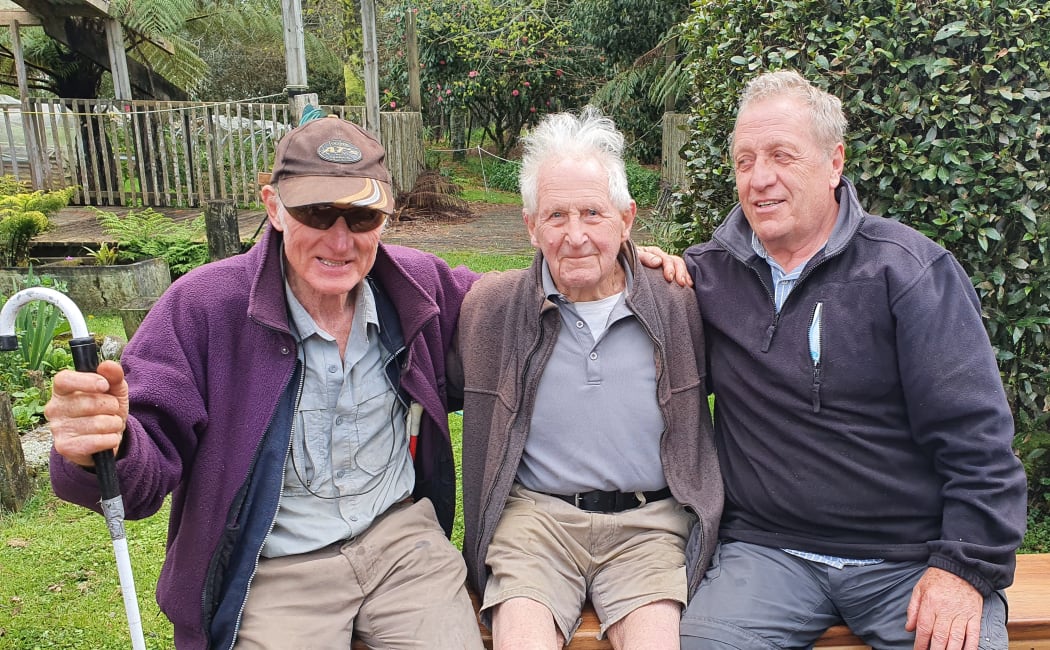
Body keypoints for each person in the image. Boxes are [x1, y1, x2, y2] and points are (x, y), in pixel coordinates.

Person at [44, 115, 486, 649]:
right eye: (316, 212)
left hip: (403, 545)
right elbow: (141, 467)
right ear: (274, 208)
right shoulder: (203, 308)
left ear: (385, 218)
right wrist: (100, 445)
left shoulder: (418, 286)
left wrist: (597, 266)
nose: (340, 240)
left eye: (362, 215)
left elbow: (512, 307)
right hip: (276, 565)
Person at [679, 70, 1028, 650]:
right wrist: (631, 267)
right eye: (744, 161)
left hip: (908, 558)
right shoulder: (706, 277)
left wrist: (963, 567)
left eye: (781, 156)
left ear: (834, 162)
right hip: (768, 553)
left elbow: (978, 439)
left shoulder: (908, 271)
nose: (759, 178)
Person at [449, 107, 723, 650]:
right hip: (535, 526)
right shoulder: (491, 309)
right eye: (555, 216)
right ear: (530, 226)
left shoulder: (679, 302)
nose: (575, 236)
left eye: (593, 213)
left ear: (627, 218)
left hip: (651, 528)